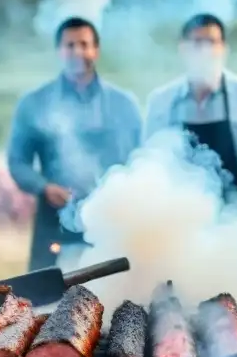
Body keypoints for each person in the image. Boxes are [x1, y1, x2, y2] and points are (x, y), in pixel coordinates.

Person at [8, 17, 143, 272]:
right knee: (43, 304)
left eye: (84, 44)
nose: (77, 52)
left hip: (112, 222)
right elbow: (18, 162)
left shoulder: (124, 105)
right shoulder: (34, 103)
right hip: (55, 221)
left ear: (96, 50)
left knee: (117, 298)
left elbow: (142, 160)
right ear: (59, 51)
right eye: (70, 45)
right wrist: (44, 187)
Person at [143, 13, 237, 204]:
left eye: (212, 43)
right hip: (178, 220)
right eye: (197, 43)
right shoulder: (160, 102)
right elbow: (147, 167)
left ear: (223, 49)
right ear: (183, 48)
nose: (205, 51)